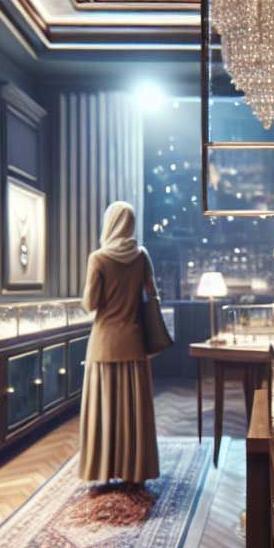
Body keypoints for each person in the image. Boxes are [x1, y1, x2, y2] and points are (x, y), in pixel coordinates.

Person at [80, 201, 160, 486]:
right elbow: (151, 294)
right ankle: (134, 471)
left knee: (103, 411)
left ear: (109, 222)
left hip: (103, 344)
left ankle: (102, 472)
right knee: (133, 413)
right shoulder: (141, 256)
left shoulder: (98, 258)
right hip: (134, 343)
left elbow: (90, 303)